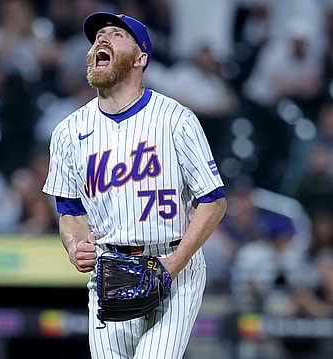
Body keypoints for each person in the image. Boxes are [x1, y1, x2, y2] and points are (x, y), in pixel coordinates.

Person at [42, 12, 227, 359]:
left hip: (173, 262)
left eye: (116, 34)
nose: (102, 39)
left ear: (140, 58)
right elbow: (69, 210)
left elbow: (214, 201)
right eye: (98, 36)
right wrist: (73, 244)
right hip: (109, 270)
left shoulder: (176, 119)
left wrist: (173, 265)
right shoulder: (68, 131)